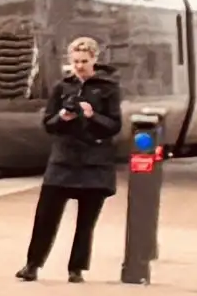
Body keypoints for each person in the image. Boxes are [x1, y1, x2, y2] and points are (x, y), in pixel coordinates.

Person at [20, 35, 125, 282]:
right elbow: (48, 124)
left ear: (94, 60)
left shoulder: (108, 88)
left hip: (95, 163)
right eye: (75, 61)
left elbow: (115, 126)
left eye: (84, 61)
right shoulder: (62, 87)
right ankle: (32, 265)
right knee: (45, 216)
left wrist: (92, 116)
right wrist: (61, 118)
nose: (79, 66)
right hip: (63, 161)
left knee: (85, 222)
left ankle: (76, 269)